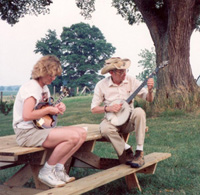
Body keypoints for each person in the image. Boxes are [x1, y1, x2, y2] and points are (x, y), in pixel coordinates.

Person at [13, 55, 87, 188]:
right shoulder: (31, 88)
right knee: (73, 137)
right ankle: (46, 171)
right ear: (41, 71)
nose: (53, 79)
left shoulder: (44, 88)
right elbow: (27, 115)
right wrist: (49, 110)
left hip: (39, 129)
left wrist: (57, 108)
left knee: (82, 133)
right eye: (50, 75)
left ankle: (58, 169)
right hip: (26, 133)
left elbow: (43, 113)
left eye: (55, 76)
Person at [91, 57, 154, 168]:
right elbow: (94, 109)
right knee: (104, 129)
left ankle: (139, 152)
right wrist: (108, 108)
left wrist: (150, 90)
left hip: (129, 120)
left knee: (139, 112)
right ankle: (126, 149)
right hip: (112, 121)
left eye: (125, 71)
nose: (124, 74)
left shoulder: (131, 80)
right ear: (111, 72)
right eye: (120, 72)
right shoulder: (101, 85)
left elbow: (149, 99)